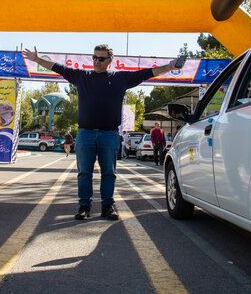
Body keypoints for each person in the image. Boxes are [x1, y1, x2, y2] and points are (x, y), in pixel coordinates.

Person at [23, 44, 176, 220]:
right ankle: (84, 206)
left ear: (110, 60)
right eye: (94, 57)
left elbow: (147, 73)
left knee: (109, 172)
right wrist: (36, 59)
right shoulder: (82, 77)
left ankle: (107, 206)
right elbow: (58, 68)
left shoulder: (121, 79)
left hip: (109, 134)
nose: (96, 61)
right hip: (84, 134)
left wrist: (170, 67)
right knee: (84, 173)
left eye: (101, 58)